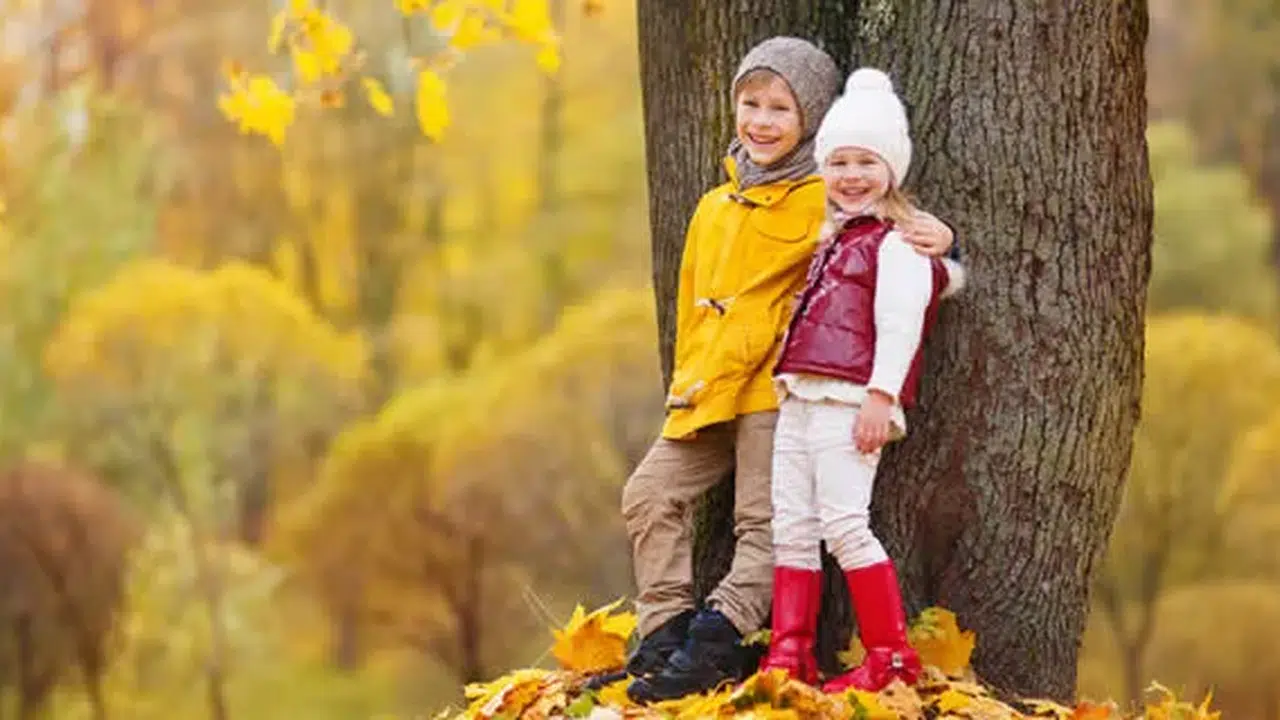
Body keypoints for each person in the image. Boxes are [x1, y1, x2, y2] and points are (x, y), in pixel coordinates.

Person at [613, 39, 958, 703]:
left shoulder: (824, 194)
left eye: (781, 109)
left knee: (766, 522)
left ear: (812, 120)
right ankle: (663, 636)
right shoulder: (715, 206)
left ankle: (716, 642)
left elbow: (890, 230)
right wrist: (687, 381)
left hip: (778, 388)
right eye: (751, 104)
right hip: (710, 387)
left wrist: (946, 240)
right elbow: (691, 304)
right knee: (649, 494)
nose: (762, 121)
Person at [756, 67, 966, 693]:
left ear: (891, 170)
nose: (851, 175)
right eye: (839, 162)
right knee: (791, 525)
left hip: (849, 401)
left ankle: (891, 655)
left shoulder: (899, 243)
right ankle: (790, 651)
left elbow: (901, 325)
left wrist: (881, 397)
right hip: (800, 397)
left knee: (844, 524)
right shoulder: (833, 237)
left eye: (866, 162)